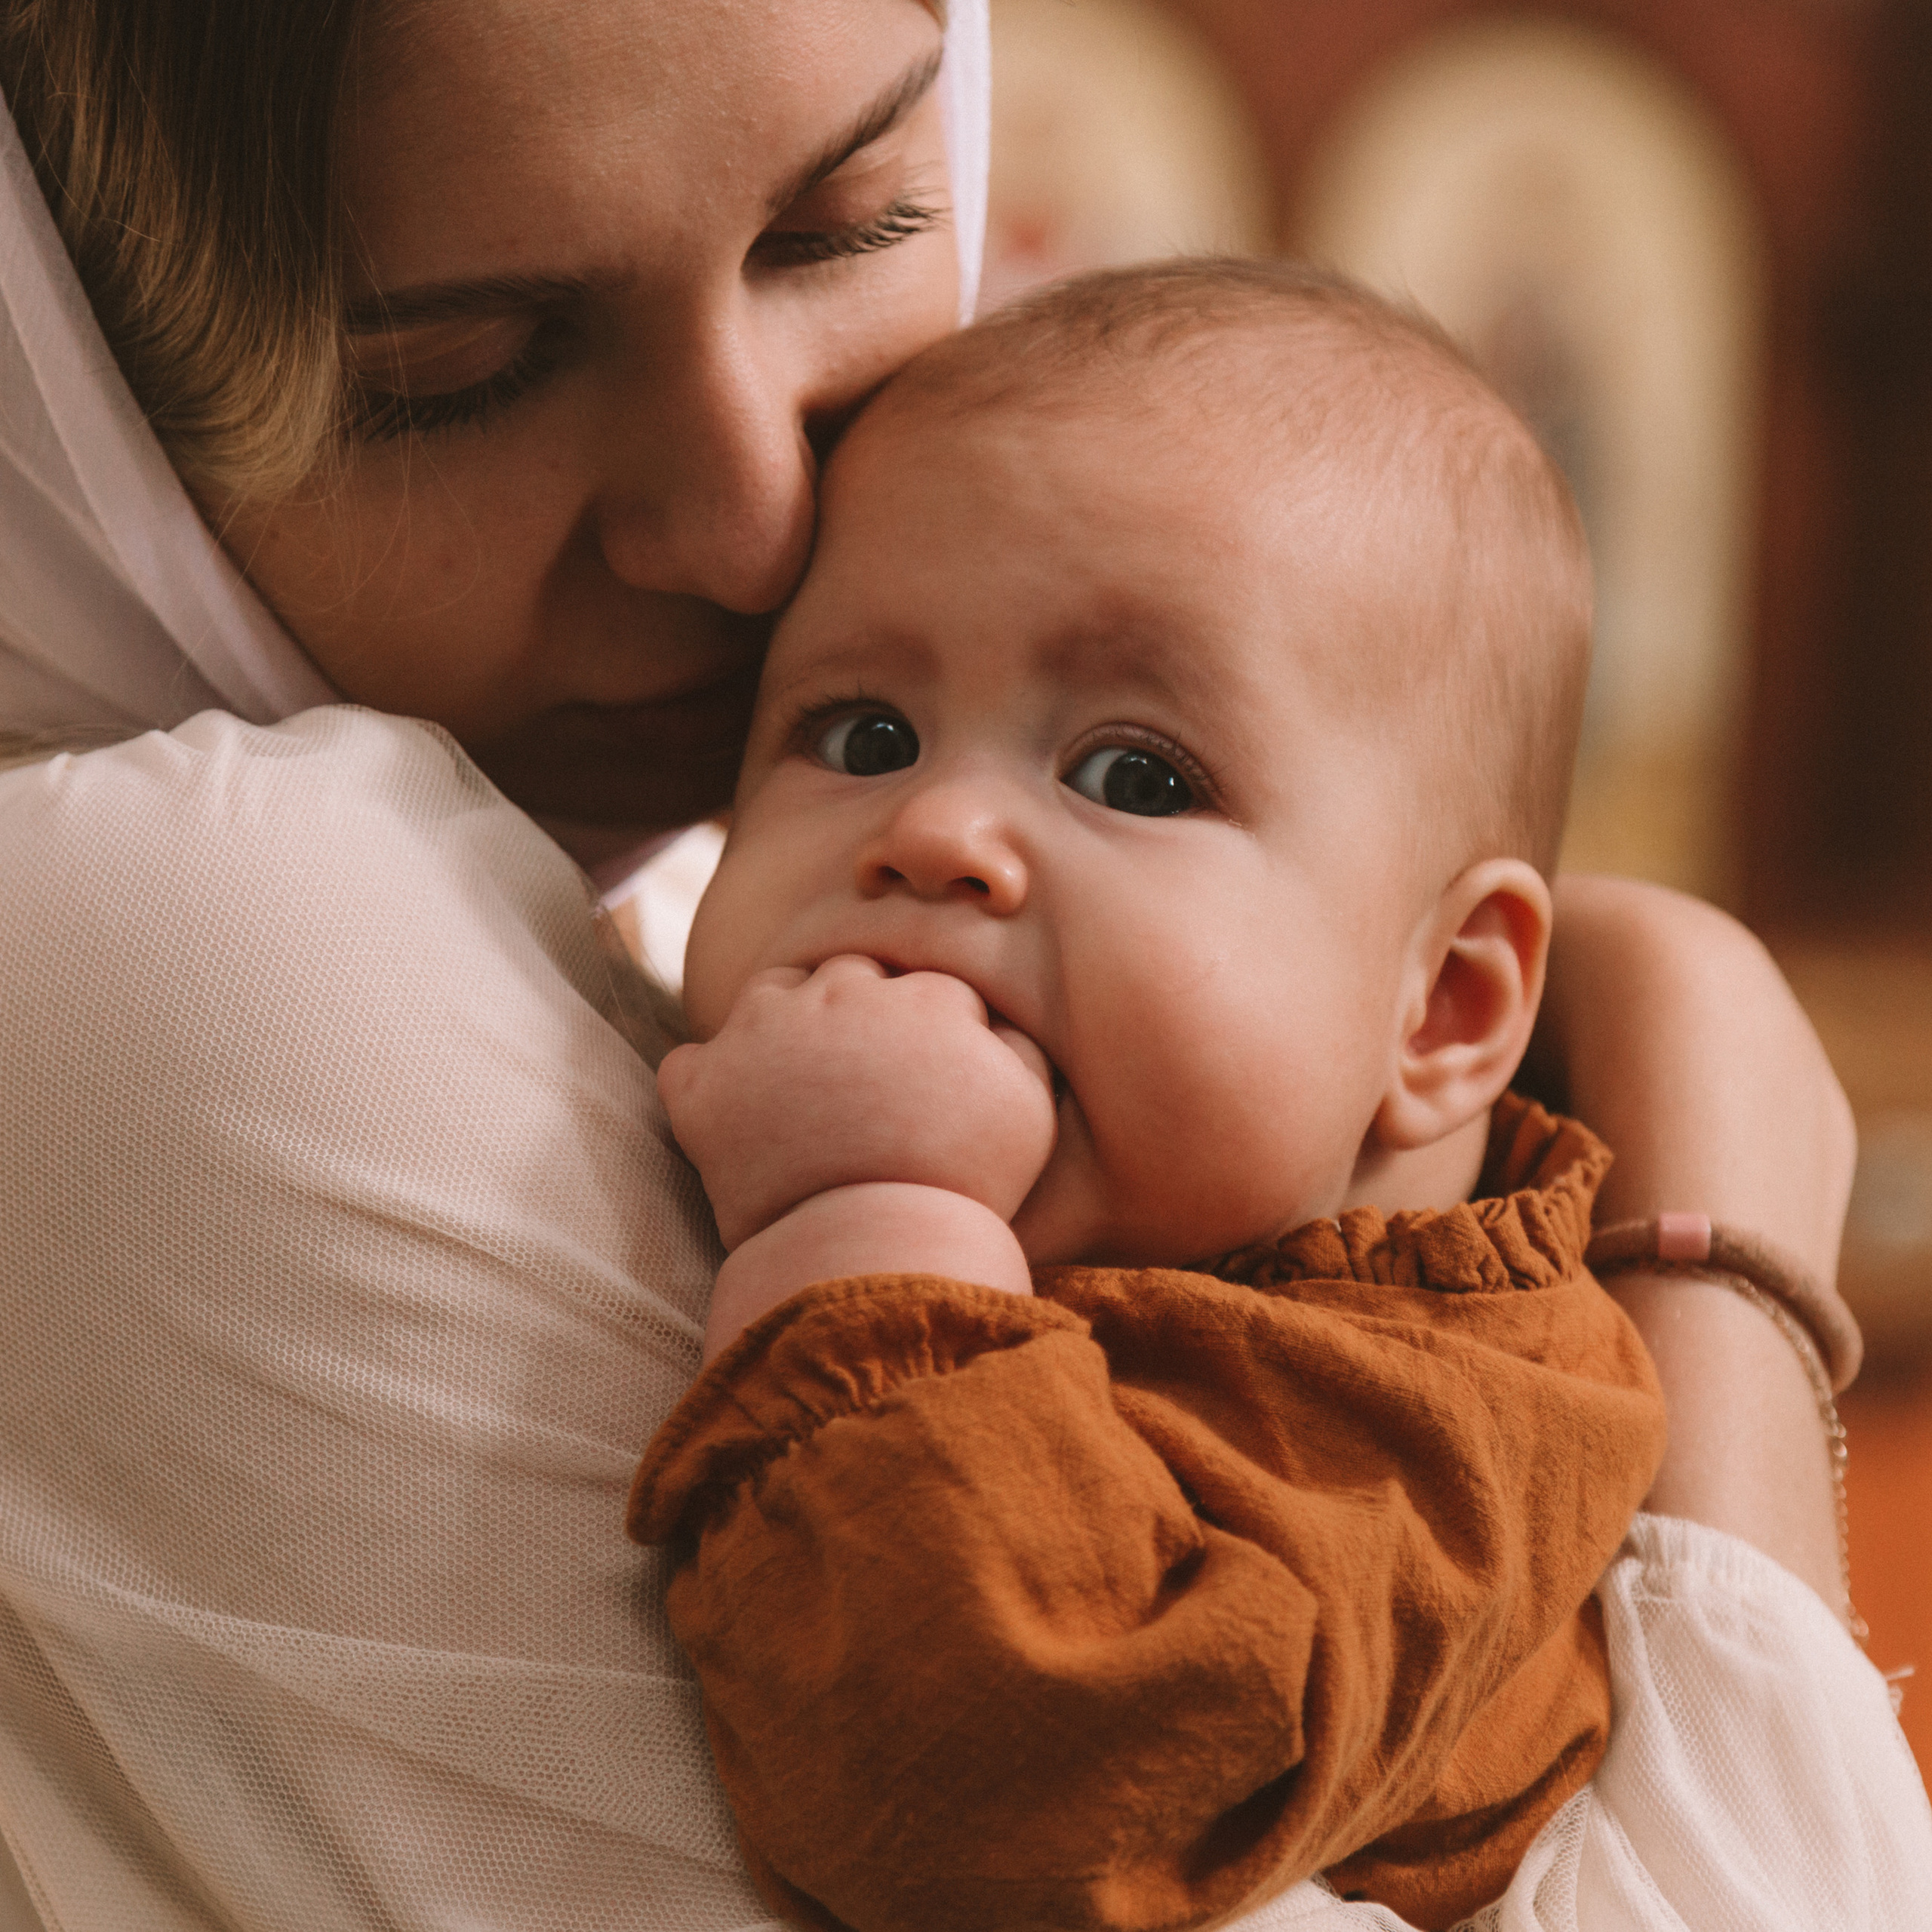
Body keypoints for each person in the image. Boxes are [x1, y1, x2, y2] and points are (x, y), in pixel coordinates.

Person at [0, 2, 1917, 1929]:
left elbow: (1037, 1756)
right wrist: (1728, 1236)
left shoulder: (1352, 1405)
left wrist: (869, 1218)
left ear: (1442, 1003)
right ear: (71, 381)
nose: (758, 533)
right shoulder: (184, 935)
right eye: (461, 371)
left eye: (845, 223)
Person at [632, 261, 1674, 1932]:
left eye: (1135, 773)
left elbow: (1013, 1792)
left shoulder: (1425, 1427)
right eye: (863, 730)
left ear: (1443, 1006)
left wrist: (866, 1218)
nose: (936, 832)